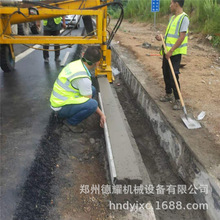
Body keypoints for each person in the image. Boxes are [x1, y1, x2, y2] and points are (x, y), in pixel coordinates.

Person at [50, 46, 106, 133]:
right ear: (97, 63)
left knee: (92, 89)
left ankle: (75, 113)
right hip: (60, 108)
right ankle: (70, 122)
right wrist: (102, 114)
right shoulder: (83, 78)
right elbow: (89, 100)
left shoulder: (76, 64)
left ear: (83, 55)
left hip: (58, 101)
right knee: (93, 105)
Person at [155, 0, 189, 110]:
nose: (170, 6)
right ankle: (168, 94)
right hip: (167, 51)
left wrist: (171, 51)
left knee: (173, 75)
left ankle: (178, 100)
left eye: (171, 3)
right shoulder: (172, 18)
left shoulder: (184, 18)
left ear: (176, 4)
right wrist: (162, 38)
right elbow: (169, 36)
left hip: (174, 53)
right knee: (166, 73)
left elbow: (181, 37)